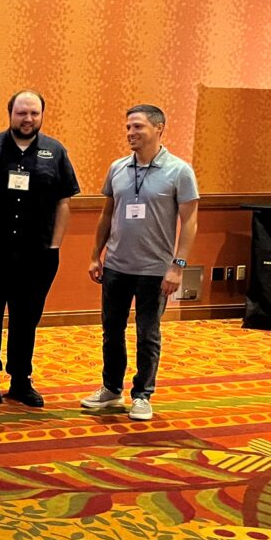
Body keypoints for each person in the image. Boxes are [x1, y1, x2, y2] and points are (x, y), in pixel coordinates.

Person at [0, 90, 79, 407]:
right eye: (22, 113)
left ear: (42, 115)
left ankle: (21, 379)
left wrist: (54, 246)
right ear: (10, 113)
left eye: (34, 114)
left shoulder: (55, 152)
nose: (28, 119)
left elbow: (63, 202)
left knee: (26, 318)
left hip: (36, 254)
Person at [82, 105, 199, 421]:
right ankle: (110, 389)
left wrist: (177, 266)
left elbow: (189, 222)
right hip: (117, 266)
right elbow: (107, 214)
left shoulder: (179, 171)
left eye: (138, 127)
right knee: (112, 331)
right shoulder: (118, 168)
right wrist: (96, 254)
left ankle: (143, 395)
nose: (131, 133)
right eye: (128, 128)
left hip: (155, 271)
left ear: (159, 128)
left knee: (148, 333)